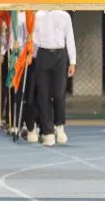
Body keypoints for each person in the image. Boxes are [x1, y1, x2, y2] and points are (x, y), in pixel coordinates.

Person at [31, 10, 76, 147]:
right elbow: (33, 37)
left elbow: (70, 37)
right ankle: (48, 132)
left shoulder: (64, 15)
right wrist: (31, 53)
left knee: (59, 93)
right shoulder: (38, 15)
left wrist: (72, 61)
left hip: (60, 56)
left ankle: (59, 126)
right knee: (43, 94)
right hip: (43, 54)